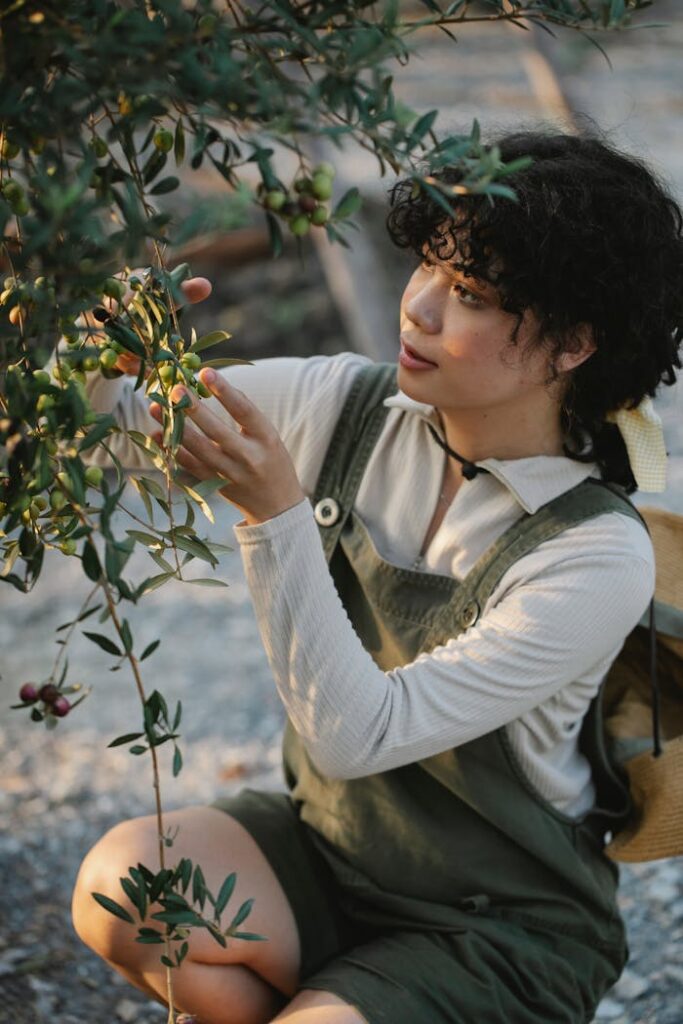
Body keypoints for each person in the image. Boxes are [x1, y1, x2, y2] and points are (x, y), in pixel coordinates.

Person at [70, 129, 683, 1024]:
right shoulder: (344, 406)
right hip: (330, 851)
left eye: (468, 294)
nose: (419, 310)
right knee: (121, 890)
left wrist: (274, 512)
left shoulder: (594, 553)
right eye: (425, 267)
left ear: (573, 345)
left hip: (494, 923)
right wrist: (107, 349)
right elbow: (107, 430)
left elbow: (359, 735)